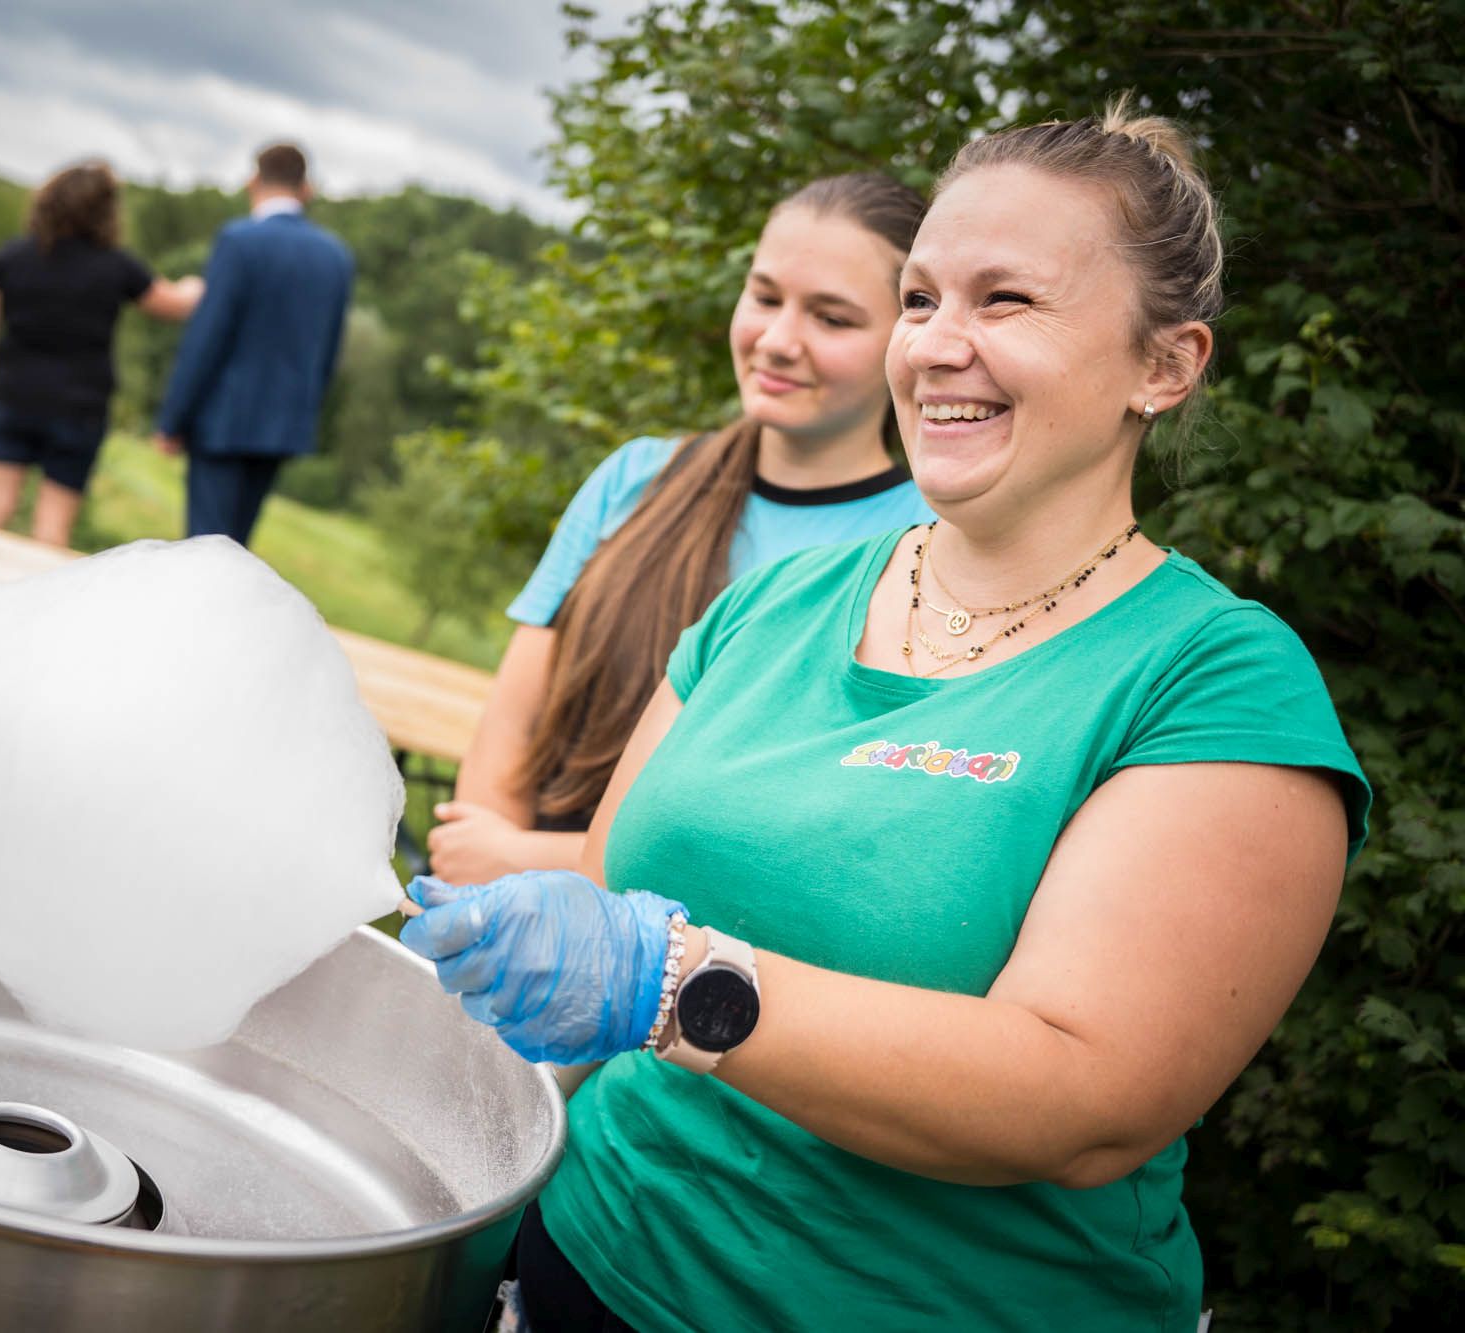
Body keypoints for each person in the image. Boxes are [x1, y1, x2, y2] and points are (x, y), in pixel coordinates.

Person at [401, 99, 1370, 1332]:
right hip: (583, 1269)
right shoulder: (774, 604)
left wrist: (676, 980)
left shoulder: (1211, 681)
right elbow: (603, 897)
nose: (934, 347)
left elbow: (1077, 1100)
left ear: (1164, 365)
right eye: (919, 300)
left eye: (1003, 302)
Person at [429, 175, 935, 886]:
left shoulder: (928, 545)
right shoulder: (634, 477)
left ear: (909, 338)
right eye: (764, 298)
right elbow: (509, 735)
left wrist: (527, 858)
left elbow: (806, 828)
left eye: (832, 318)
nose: (779, 340)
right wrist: (490, 886)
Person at [0, 161, 204, 547]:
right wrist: (195, 285)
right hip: (79, 407)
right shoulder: (117, 266)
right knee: (52, 528)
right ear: (107, 212)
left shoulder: (15, 255)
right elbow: (173, 305)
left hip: (14, 393)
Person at [151, 143, 354, 547]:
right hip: (285, 425)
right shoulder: (335, 256)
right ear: (306, 188)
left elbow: (207, 337)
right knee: (238, 549)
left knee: (205, 549)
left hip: (222, 421)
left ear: (252, 181)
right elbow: (329, 352)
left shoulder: (239, 241)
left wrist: (173, 418)